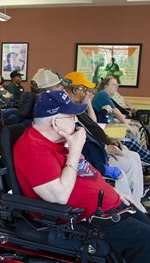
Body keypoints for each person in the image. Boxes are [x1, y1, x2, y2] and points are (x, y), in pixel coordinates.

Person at [13, 90, 150, 263]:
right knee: (146, 240)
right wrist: (75, 150)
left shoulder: (58, 140)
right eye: (71, 116)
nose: (76, 120)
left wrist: (113, 192)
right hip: (82, 220)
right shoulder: (33, 149)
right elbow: (59, 196)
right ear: (55, 123)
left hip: (108, 207)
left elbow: (86, 173)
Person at [60, 69, 146, 212]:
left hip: (98, 153)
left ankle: (136, 201)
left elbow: (93, 128)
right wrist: (105, 149)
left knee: (135, 156)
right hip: (93, 161)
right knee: (129, 163)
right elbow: (77, 145)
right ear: (75, 89)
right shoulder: (67, 113)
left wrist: (107, 141)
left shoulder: (78, 109)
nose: (88, 93)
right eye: (85, 90)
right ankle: (130, 206)